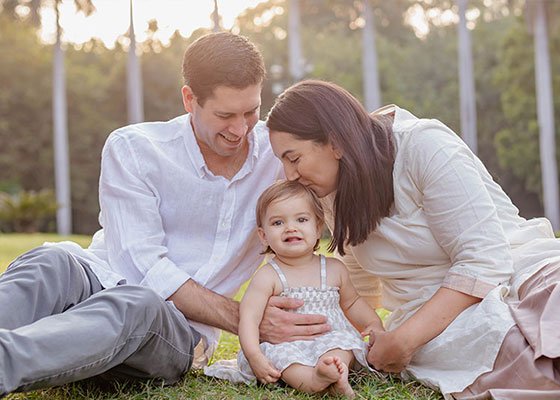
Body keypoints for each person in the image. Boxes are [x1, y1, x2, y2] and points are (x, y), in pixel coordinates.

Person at [0, 32, 330, 396]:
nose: (240, 129)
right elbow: (140, 264)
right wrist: (248, 319)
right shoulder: (135, 149)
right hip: (100, 278)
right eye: (225, 115)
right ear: (189, 99)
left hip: (174, 330)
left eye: (251, 111)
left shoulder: (279, 155)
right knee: (51, 260)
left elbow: (338, 155)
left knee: (139, 303)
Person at [265, 79, 560, 400]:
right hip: (436, 312)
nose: (290, 175)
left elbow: (485, 258)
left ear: (335, 143)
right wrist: (357, 335)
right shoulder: (329, 187)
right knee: (516, 352)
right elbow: (357, 272)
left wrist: (406, 340)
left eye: (293, 158)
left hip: (520, 264)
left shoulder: (424, 145)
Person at [204, 180, 383, 398]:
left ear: (318, 228)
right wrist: (254, 355)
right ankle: (314, 380)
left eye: (301, 219)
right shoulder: (268, 276)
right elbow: (249, 318)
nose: (291, 227)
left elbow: (353, 303)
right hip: (287, 345)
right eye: (278, 222)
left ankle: (335, 372)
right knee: (285, 361)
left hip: (328, 337)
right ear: (263, 235)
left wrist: (373, 324)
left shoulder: (334, 269)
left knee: (342, 346)